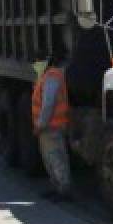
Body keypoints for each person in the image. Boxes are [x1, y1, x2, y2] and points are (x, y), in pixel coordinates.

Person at [32, 57, 72, 199]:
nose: (35, 65)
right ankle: (56, 188)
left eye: (37, 62)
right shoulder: (46, 76)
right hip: (50, 126)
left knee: (56, 158)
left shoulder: (52, 76)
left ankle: (63, 190)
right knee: (50, 159)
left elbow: (48, 103)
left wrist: (40, 124)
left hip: (52, 126)